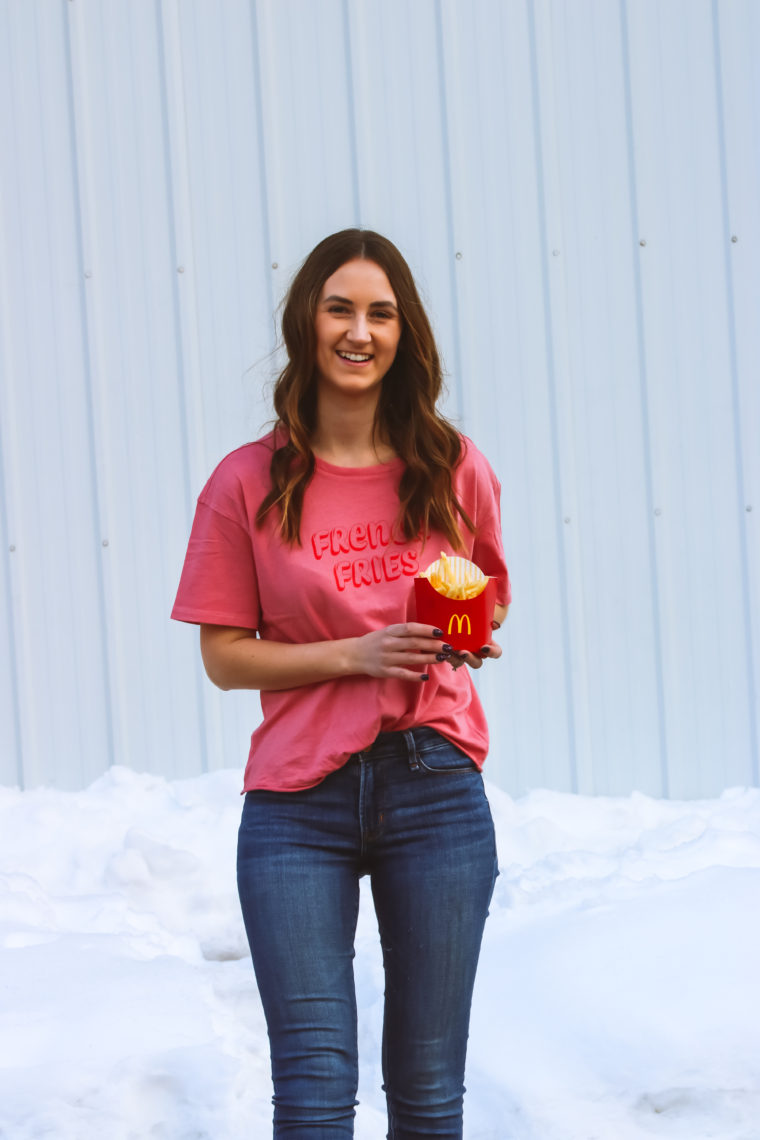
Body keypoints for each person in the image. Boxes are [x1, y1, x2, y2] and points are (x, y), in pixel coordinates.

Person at [171, 228, 511, 1139]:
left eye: (381, 312)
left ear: (404, 334)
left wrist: (466, 637)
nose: (359, 331)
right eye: (340, 308)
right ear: (306, 324)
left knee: (430, 1094)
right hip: (296, 804)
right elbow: (224, 656)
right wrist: (352, 657)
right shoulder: (246, 482)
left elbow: (483, 599)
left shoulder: (451, 465)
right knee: (315, 1095)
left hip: (435, 786)